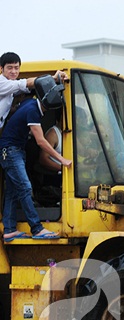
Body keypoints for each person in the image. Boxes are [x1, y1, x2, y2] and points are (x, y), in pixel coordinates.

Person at [0, 76, 72, 242]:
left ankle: (9, 229)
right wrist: (62, 159)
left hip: (14, 150)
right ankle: (37, 228)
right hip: (11, 151)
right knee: (25, 187)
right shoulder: (33, 109)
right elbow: (41, 142)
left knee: (12, 192)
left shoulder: (31, 104)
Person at [0, 52, 67, 130]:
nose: (14, 71)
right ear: (1, 68)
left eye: (16, 68)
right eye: (10, 68)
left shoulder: (10, 86)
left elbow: (24, 88)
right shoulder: (2, 83)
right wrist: (53, 78)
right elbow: (26, 83)